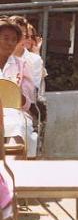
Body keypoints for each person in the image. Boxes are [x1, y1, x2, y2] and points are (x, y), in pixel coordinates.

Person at [0, 18, 36, 157]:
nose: (10, 43)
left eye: (14, 39)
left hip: (15, 112)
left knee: (18, 125)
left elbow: (28, 103)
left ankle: (12, 166)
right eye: (5, 38)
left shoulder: (23, 65)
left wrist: (16, 94)